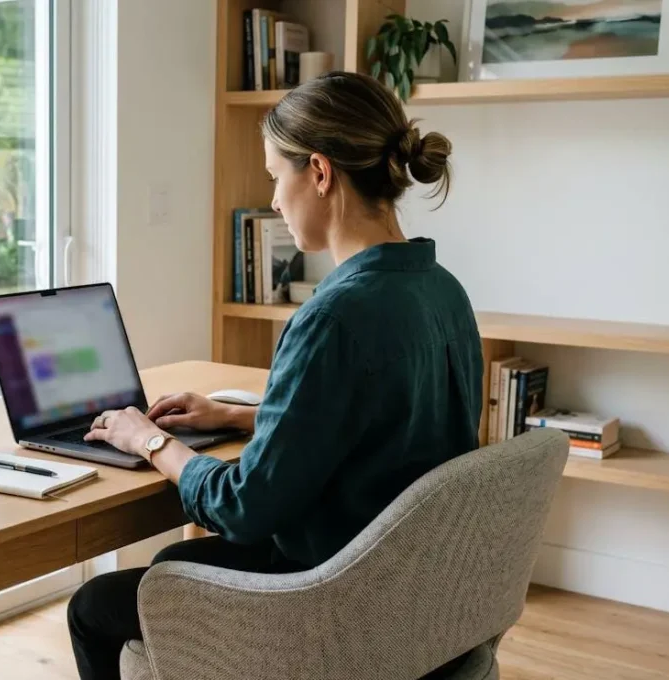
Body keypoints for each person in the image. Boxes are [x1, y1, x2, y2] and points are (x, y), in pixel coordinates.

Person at [69, 70, 483, 680]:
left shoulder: (334, 317)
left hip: (329, 598)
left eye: (274, 176)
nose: (272, 200)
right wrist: (237, 415)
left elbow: (245, 508)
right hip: (409, 590)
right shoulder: (443, 291)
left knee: (93, 607)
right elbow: (385, 423)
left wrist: (150, 441)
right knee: (168, 565)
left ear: (319, 173)